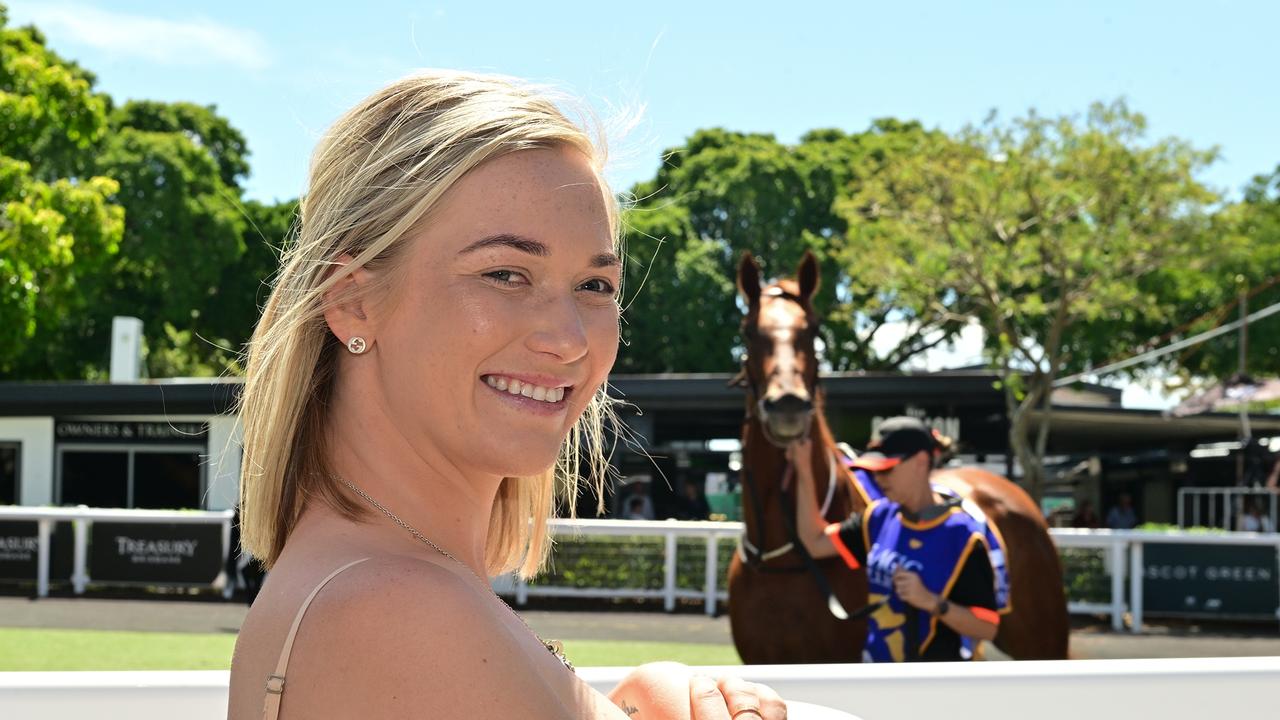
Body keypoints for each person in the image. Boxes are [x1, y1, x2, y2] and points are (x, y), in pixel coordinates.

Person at [226, 71, 785, 720]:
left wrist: (640, 699)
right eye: (506, 274)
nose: (569, 339)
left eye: (595, 286)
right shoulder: (399, 613)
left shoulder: (376, 583)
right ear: (353, 301)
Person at [792, 417, 1003, 662]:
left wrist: (931, 602)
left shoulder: (963, 535)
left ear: (921, 462)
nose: (879, 479)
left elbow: (988, 627)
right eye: (874, 471)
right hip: (877, 675)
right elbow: (814, 542)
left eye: (887, 469)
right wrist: (803, 469)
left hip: (933, 683)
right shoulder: (878, 517)